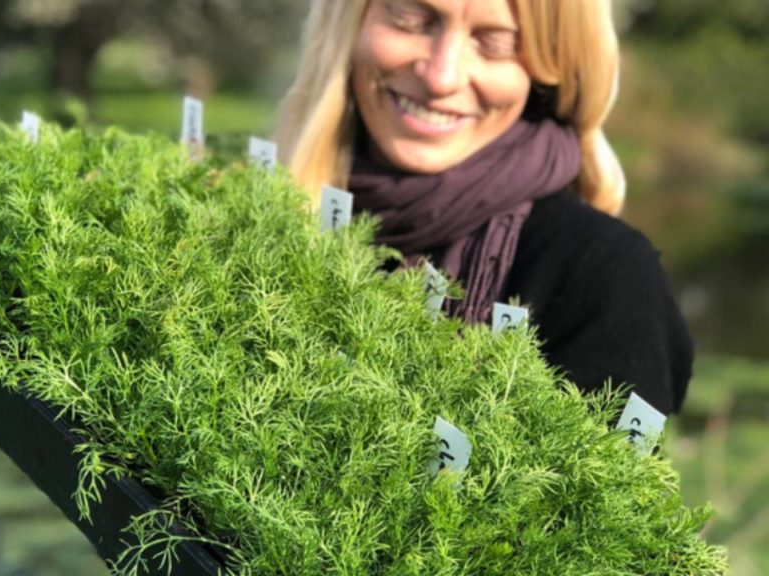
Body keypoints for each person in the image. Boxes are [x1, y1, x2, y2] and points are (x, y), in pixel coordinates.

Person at [273, 0, 691, 416]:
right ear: (350, 20)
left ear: (551, 67)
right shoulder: (262, 210)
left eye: (496, 43)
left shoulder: (602, 276)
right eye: (410, 19)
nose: (441, 76)